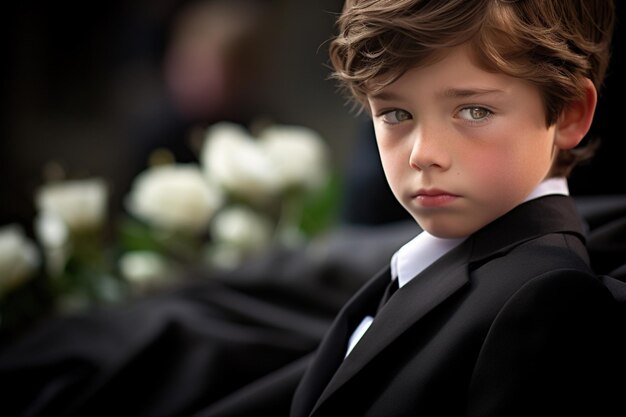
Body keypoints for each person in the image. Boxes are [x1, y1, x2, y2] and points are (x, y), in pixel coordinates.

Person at [291, 1, 625, 416]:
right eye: (396, 113)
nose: (423, 154)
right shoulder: (421, 266)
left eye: (474, 111)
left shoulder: (552, 301)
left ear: (571, 113)